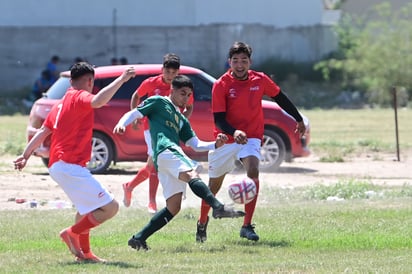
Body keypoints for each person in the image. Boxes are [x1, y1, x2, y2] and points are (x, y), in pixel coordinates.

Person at [13, 62, 136, 262]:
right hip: (69, 165)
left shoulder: (60, 103)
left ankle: (85, 255)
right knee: (110, 207)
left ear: (70, 81)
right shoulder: (80, 96)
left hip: (57, 165)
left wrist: (25, 155)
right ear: (90, 81)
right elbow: (97, 101)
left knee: (86, 210)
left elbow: (43, 132)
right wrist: (121, 79)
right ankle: (71, 233)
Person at [113, 75, 245, 250]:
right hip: (166, 150)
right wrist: (122, 124)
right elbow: (134, 113)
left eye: (189, 94)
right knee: (192, 174)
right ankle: (218, 207)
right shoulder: (159, 102)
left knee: (174, 207)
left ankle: (139, 238)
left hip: (164, 160)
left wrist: (216, 144)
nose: (186, 98)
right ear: (172, 91)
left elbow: (195, 144)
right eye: (183, 93)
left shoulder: (181, 119)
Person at [195, 41, 306, 243]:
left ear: (250, 62)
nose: (239, 64)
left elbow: (280, 98)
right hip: (225, 139)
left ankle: (246, 226)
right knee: (212, 188)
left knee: (253, 170)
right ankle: (202, 223)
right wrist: (233, 131)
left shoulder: (260, 79)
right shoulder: (221, 84)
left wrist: (298, 118)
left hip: (251, 136)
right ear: (229, 62)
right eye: (235, 60)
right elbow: (219, 119)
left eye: (244, 60)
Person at [122, 53, 194, 213]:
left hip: (170, 131)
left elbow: (189, 106)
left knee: (152, 165)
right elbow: (136, 96)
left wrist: (181, 122)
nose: (170, 76)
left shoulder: (181, 86)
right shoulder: (150, 83)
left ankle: (129, 186)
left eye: (174, 73)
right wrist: (135, 117)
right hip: (151, 129)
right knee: (155, 164)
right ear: (162, 70)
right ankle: (152, 202)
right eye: (167, 72)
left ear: (178, 72)